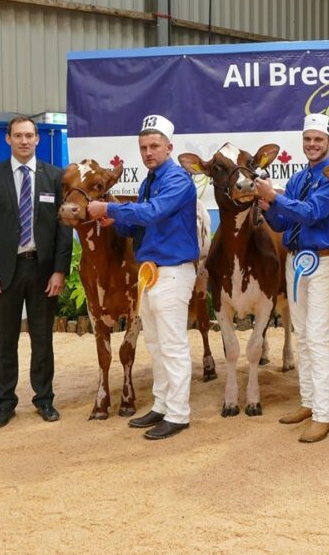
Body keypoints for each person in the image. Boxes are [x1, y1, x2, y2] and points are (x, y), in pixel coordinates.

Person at [87, 114, 199, 440]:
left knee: (173, 345)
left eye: (154, 146)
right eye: (143, 147)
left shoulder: (177, 179)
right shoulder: (150, 181)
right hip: (151, 274)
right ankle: (162, 405)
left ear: (169, 147)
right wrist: (116, 221)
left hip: (173, 271)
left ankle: (178, 413)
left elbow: (152, 212)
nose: (148, 152)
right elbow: (141, 224)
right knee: (155, 343)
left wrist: (109, 210)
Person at [254, 113, 329, 443]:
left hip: (323, 261)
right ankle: (309, 402)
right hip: (296, 261)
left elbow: (312, 213)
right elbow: (283, 225)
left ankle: (325, 415)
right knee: (303, 336)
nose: (312, 144)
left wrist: (276, 196)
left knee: (317, 336)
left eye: (318, 140)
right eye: (308, 139)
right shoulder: (297, 178)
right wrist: (268, 205)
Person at [0, 116, 72, 429]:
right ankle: (5, 404)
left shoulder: (55, 177)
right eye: (18, 135)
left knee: (43, 340)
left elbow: (63, 229)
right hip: (5, 272)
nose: (24, 141)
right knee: (6, 341)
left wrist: (59, 270)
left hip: (43, 272)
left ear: (38, 139)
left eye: (29, 135)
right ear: (8, 140)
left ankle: (44, 399)